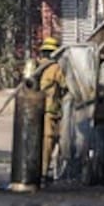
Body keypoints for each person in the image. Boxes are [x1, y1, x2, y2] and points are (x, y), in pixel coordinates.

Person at [34, 37, 69, 181]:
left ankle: (33, 169)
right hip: (50, 111)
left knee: (33, 141)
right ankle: (42, 172)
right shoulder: (55, 68)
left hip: (31, 111)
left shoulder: (34, 67)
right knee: (48, 141)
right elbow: (66, 86)